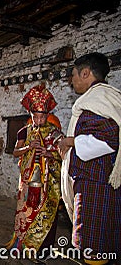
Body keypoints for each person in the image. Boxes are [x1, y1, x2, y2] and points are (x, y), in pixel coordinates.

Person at [58, 52, 121, 264]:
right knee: (104, 243)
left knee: (94, 245)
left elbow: (107, 140)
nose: (72, 81)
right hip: (100, 182)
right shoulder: (105, 98)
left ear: (85, 73)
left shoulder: (97, 99)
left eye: (73, 75)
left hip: (96, 185)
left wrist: (70, 142)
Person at [5, 84, 62, 259]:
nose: (38, 120)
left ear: (47, 115)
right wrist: (30, 147)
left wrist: (48, 153)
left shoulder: (55, 133)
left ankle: (43, 251)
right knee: (27, 212)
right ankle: (25, 246)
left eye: (42, 116)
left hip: (48, 183)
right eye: (35, 116)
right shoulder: (24, 131)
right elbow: (16, 152)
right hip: (28, 181)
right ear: (31, 115)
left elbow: (62, 156)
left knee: (47, 216)